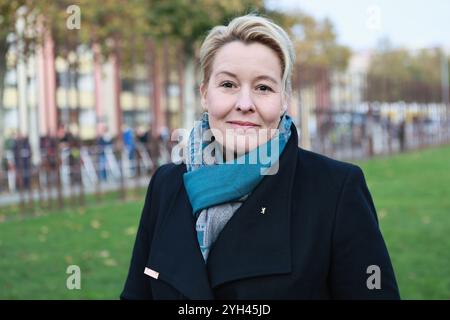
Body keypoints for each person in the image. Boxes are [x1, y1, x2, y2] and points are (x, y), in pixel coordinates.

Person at [121, 14, 400, 300]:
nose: (244, 104)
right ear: (205, 94)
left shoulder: (335, 189)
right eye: (228, 85)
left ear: (284, 100)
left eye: (263, 87)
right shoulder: (166, 185)